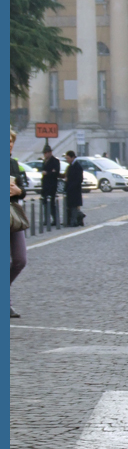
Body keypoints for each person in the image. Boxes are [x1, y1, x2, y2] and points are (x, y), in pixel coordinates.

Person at [10, 129, 28, 317]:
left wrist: (18, 191)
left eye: (11, 141)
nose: (9, 144)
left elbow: (23, 189)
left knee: (20, 260)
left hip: (13, 215)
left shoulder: (14, 164)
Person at [40, 144, 61, 228]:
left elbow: (55, 173)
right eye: (44, 153)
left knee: (52, 203)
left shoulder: (55, 161)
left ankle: (55, 219)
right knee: (45, 203)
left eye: (47, 153)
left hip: (52, 185)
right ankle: (46, 219)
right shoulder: (44, 161)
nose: (45, 154)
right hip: (45, 185)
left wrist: (48, 173)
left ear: (50, 152)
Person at [63, 150, 84, 226]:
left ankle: (74, 221)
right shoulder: (70, 166)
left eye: (68, 158)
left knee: (74, 206)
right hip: (70, 189)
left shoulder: (77, 166)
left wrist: (71, 185)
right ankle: (78, 218)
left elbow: (79, 179)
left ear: (72, 157)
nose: (67, 160)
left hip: (75, 190)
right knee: (71, 206)